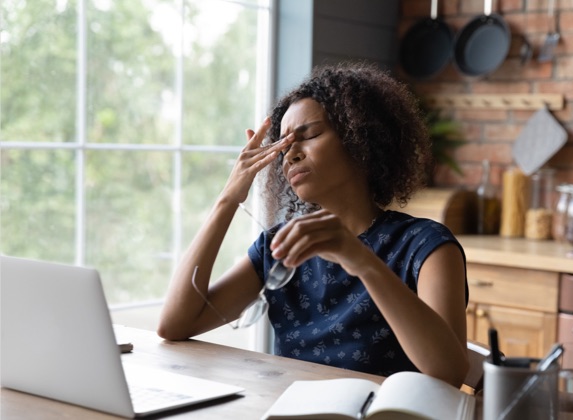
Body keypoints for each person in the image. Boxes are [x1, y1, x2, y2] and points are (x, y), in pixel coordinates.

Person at [157, 62, 469, 387]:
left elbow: (449, 370)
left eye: (309, 136)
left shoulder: (426, 245)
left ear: (359, 137)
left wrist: (360, 260)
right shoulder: (282, 245)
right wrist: (228, 198)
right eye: (283, 146)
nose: (290, 154)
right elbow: (174, 325)